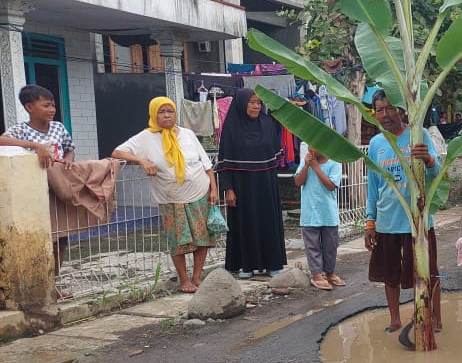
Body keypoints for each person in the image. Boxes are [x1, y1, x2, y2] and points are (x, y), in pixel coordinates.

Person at [110, 97, 218, 293]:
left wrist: (214, 188)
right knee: (178, 241)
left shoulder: (187, 134)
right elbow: (117, 152)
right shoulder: (146, 137)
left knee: (203, 238)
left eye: (170, 111)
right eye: (162, 112)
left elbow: (205, 163)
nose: (167, 115)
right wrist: (141, 161)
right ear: (153, 114)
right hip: (170, 198)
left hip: (199, 192)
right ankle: (184, 280)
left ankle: (197, 276)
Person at [365, 90, 443, 332]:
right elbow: (373, 187)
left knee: (428, 273)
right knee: (390, 274)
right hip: (387, 221)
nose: (385, 114)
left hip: (418, 221)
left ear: (401, 109)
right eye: (379, 110)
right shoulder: (376, 144)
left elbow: (437, 174)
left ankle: (436, 319)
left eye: (389, 108)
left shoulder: (418, 135)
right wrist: (370, 223)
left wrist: (429, 160)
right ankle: (395, 320)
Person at [1, 85, 77, 297]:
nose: (51, 109)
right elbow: (2, 140)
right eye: (46, 105)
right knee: (42, 240)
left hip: (58, 191)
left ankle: (53, 285)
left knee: (60, 241)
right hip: (34, 194)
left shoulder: (59, 128)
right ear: (29, 107)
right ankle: (38, 287)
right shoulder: (21, 130)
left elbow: (69, 148)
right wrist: (35, 146)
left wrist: (67, 162)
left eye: (52, 104)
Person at [216, 88, 287, 278]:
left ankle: (272, 264)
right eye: (252, 102)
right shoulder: (231, 129)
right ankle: (246, 265)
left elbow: (274, 156)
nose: (256, 106)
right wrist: (228, 189)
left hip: (266, 185)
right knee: (245, 224)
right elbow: (225, 164)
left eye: (259, 102)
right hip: (241, 187)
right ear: (242, 104)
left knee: (268, 223)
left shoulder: (268, 124)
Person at [293, 143, 345, 291]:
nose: (311, 149)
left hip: (328, 214)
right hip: (310, 213)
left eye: (315, 146)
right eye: (309, 146)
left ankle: (329, 272)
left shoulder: (334, 163)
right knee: (312, 246)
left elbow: (331, 185)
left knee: (330, 246)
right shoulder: (306, 161)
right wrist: (307, 166)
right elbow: (298, 182)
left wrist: (316, 167)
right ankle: (316, 274)